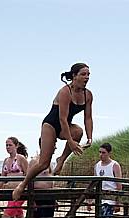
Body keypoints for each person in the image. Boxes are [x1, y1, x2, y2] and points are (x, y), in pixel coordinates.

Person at [12, 63, 93, 201]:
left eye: (88, 74)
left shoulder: (88, 95)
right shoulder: (65, 92)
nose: (87, 77)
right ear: (74, 76)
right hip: (50, 125)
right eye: (83, 74)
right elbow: (62, 118)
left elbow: (88, 117)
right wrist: (70, 142)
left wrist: (90, 137)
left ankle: (61, 160)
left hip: (65, 125)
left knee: (78, 131)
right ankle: (22, 185)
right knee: (43, 163)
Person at [87, 142, 125, 218]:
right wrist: (89, 200)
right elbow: (93, 183)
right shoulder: (97, 165)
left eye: (103, 153)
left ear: (109, 153)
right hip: (100, 196)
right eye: (99, 152)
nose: (101, 155)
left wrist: (118, 202)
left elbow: (119, 184)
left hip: (111, 197)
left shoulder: (114, 165)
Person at [31, 140, 56, 218]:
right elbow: (29, 180)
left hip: (49, 196)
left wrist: (54, 198)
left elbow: (51, 180)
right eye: (53, 144)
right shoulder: (34, 161)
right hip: (38, 196)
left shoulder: (49, 162)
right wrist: (32, 200)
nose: (55, 147)